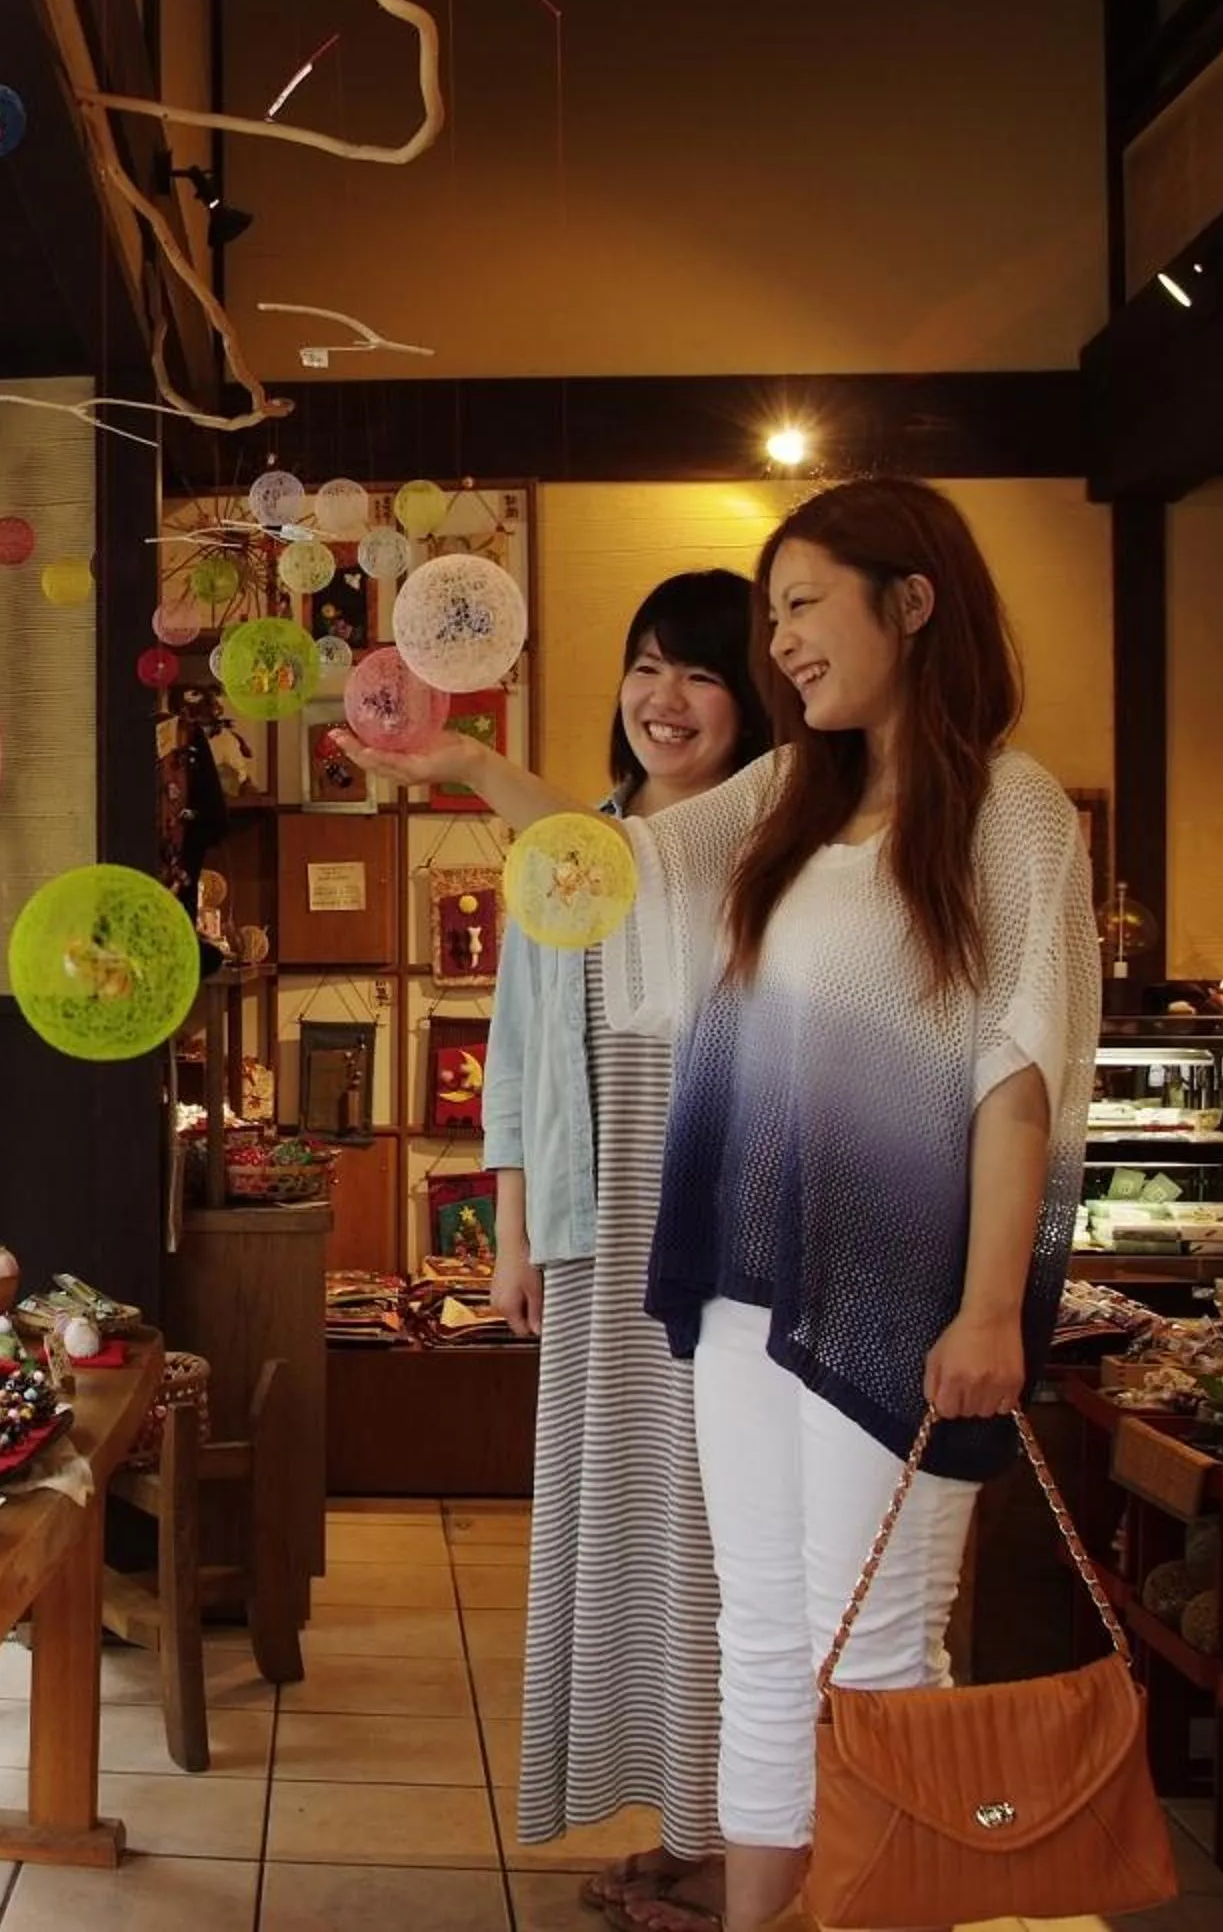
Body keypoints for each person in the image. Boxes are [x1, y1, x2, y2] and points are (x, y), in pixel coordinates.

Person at [346, 479, 1099, 1932]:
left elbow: (1023, 1078)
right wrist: (462, 764)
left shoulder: (1013, 810)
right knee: (763, 1637)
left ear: (915, 600)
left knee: (874, 1648)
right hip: (748, 1284)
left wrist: (996, 1304)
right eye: (773, 619)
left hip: (907, 1294)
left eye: (803, 606)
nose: (783, 646)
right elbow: (607, 863)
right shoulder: (786, 794)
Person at [480, 570, 770, 1932]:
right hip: (602, 1225)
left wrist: (467, 759)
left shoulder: (765, 839)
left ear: (756, 699)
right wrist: (514, 1233)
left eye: (702, 675)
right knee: (622, 1524)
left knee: (718, 1534)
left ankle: (733, 1844)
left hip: (719, 1225)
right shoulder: (575, 838)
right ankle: (683, 1815)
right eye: (647, 666)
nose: (666, 699)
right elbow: (519, 1053)